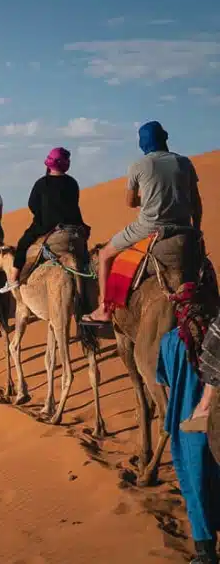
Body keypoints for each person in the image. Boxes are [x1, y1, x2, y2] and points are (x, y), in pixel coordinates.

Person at [82, 121, 202, 325]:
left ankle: (104, 309)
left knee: (104, 255)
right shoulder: (184, 162)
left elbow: (129, 202)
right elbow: (196, 202)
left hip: (149, 227)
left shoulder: (138, 166)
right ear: (165, 138)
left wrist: (144, 202)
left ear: (143, 144)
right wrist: (196, 230)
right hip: (183, 228)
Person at [157, 327, 219, 563]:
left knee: (196, 486)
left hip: (190, 421)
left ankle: (206, 552)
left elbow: (166, 382)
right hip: (206, 421)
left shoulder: (171, 340)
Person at [0, 147, 88, 293]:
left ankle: (13, 279)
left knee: (22, 244)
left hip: (47, 225)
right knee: (83, 248)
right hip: (73, 226)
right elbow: (74, 203)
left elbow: (32, 204)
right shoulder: (72, 182)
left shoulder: (41, 183)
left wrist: (43, 214)